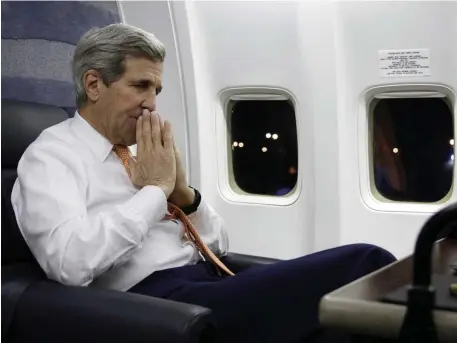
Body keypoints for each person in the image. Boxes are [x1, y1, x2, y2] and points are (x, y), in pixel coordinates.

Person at [12, 23, 397, 343]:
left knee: (341, 330)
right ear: (94, 85)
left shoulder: (141, 150)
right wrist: (154, 193)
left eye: (156, 91)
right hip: (155, 302)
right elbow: (70, 263)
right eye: (140, 86)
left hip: (207, 281)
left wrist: (185, 196)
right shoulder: (51, 156)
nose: (151, 103)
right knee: (366, 262)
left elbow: (219, 245)